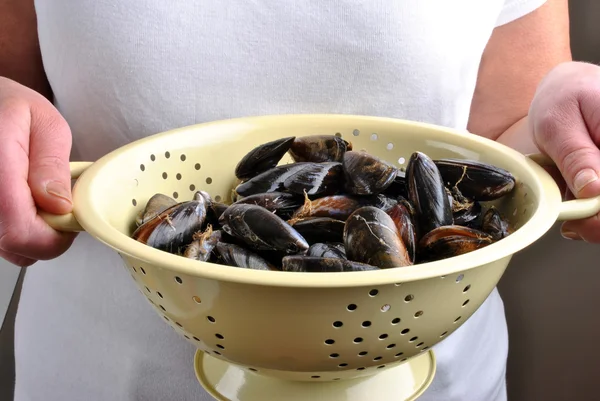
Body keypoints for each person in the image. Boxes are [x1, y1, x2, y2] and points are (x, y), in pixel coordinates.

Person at [1, 0, 599, 400]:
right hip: (107, 372)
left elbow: (505, 141)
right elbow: (16, 91)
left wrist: (565, 116)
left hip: (434, 359)